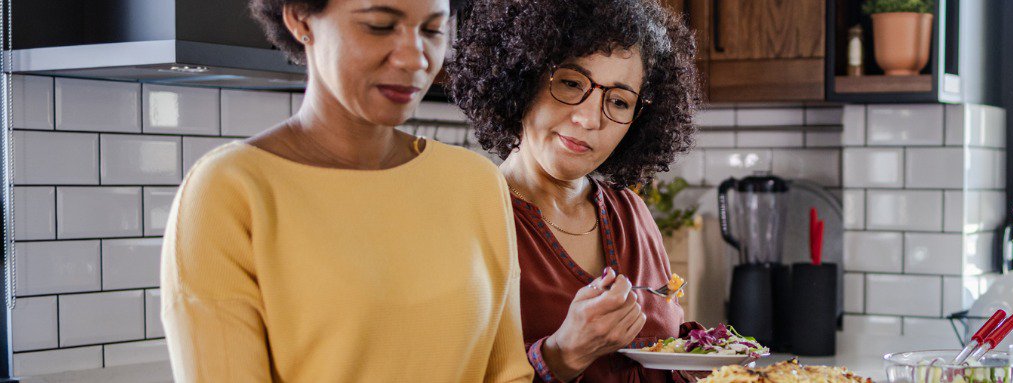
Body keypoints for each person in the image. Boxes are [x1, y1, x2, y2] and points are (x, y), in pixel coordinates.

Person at [160, 0, 532, 381]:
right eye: (380, 26)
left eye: (432, 30)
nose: (414, 58)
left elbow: (508, 374)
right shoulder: (229, 192)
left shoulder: (475, 182)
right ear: (300, 18)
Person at [448, 0, 700, 381]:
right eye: (570, 83)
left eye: (618, 101)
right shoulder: (472, 218)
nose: (589, 119)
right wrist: (561, 355)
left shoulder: (632, 213)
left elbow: (669, 353)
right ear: (523, 77)